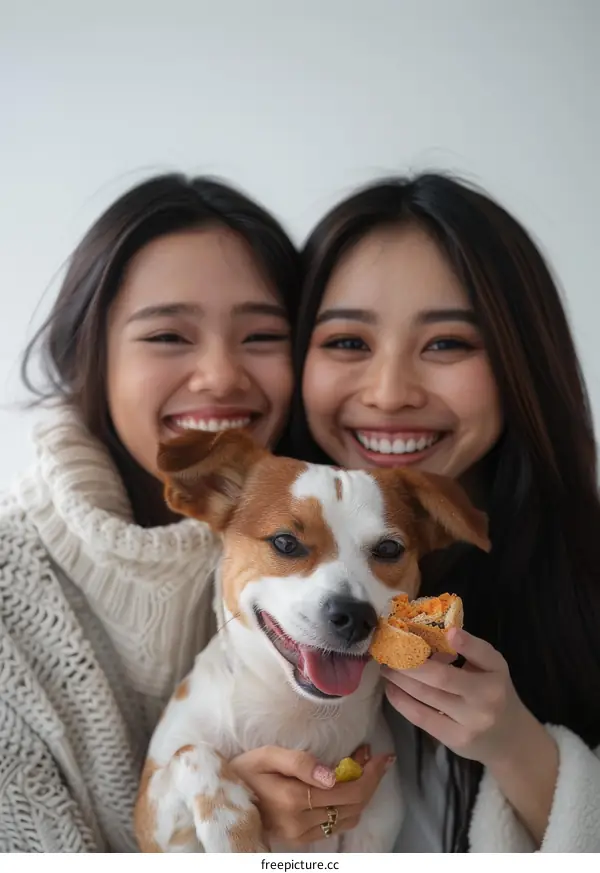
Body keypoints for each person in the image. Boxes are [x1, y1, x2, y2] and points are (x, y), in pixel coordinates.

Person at [289, 172, 600, 852]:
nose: (389, 392)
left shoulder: (582, 576)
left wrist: (516, 746)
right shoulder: (239, 577)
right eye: (348, 342)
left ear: (522, 359)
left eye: (447, 343)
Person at [0, 173, 305, 851]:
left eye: (262, 335)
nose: (221, 375)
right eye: (168, 335)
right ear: (90, 354)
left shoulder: (353, 562)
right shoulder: (9, 587)